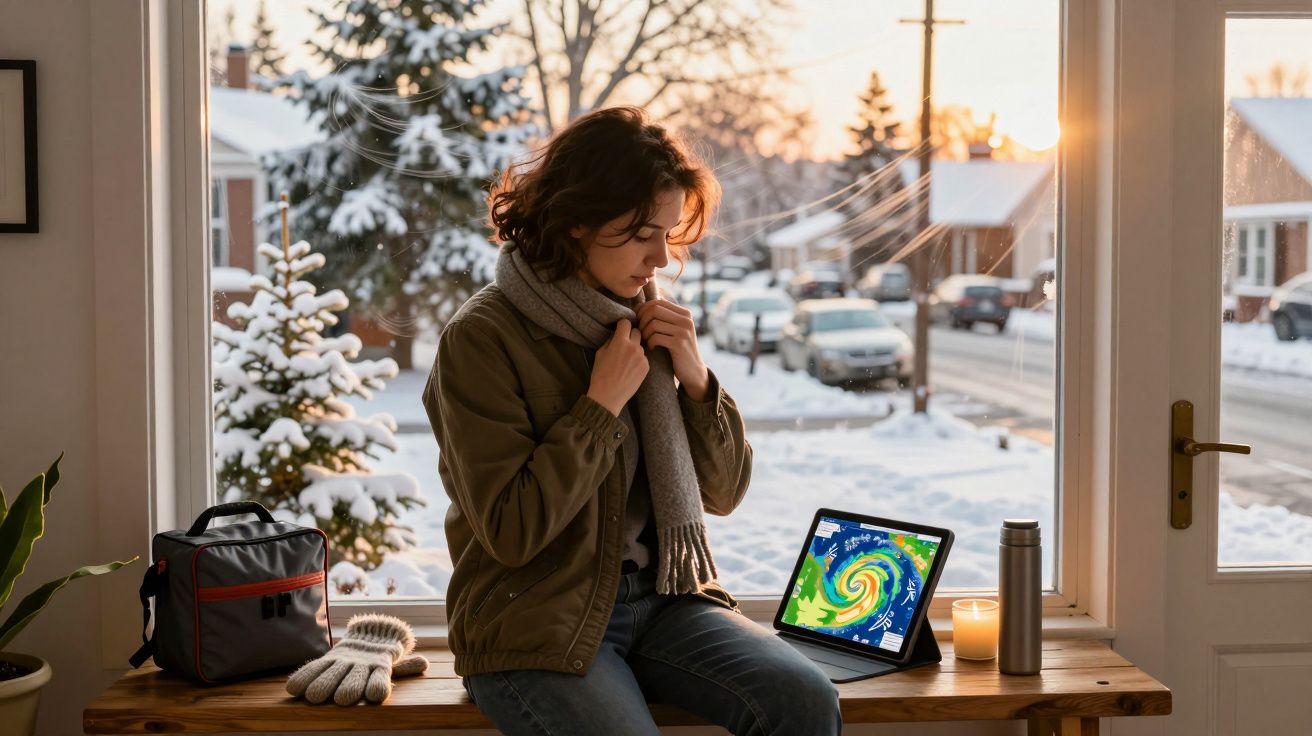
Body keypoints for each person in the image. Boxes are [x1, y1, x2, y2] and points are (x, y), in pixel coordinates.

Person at [422, 106, 841, 735]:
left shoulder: (644, 319)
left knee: (805, 700)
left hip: (665, 600)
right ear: (577, 220)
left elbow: (724, 494)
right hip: (535, 618)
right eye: (644, 232)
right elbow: (511, 532)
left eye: (669, 234)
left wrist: (696, 378)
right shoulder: (481, 339)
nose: (662, 258)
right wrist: (598, 409)